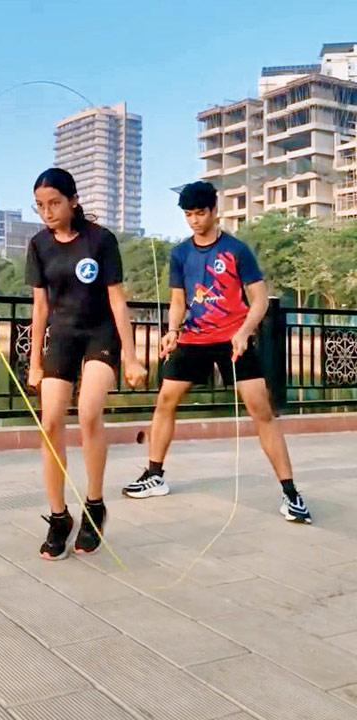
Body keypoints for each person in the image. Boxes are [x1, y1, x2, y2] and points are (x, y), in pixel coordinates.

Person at [122, 180, 311, 524]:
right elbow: (178, 301)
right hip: (193, 339)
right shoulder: (180, 253)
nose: (194, 220)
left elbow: (258, 299)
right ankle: (154, 474)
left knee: (261, 411)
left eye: (199, 213)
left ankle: (291, 493)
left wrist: (244, 332)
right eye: (188, 215)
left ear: (213, 211)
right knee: (166, 401)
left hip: (232, 339)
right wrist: (173, 332)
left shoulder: (237, 251)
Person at [25, 168, 147, 560]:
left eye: (55, 203)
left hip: (100, 334)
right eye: (41, 205)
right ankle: (59, 516)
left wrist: (130, 355)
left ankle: (94, 506)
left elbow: (116, 300)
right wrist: (34, 364)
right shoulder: (39, 245)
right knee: (51, 424)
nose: (47, 211)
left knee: (90, 414)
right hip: (61, 337)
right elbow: (40, 306)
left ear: (73, 200)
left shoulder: (100, 241)